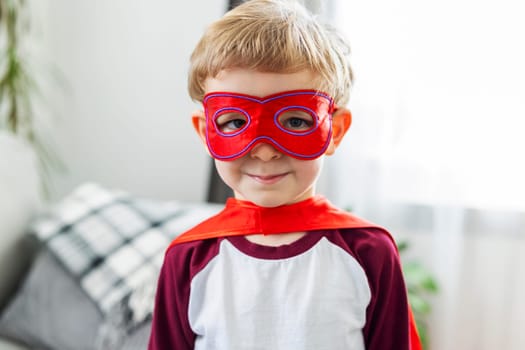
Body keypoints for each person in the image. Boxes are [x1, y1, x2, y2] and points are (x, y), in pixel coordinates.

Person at [148, 0, 422, 349]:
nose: (265, 150)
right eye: (235, 121)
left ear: (334, 130)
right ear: (206, 132)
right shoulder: (188, 259)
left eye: (295, 121)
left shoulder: (369, 252)